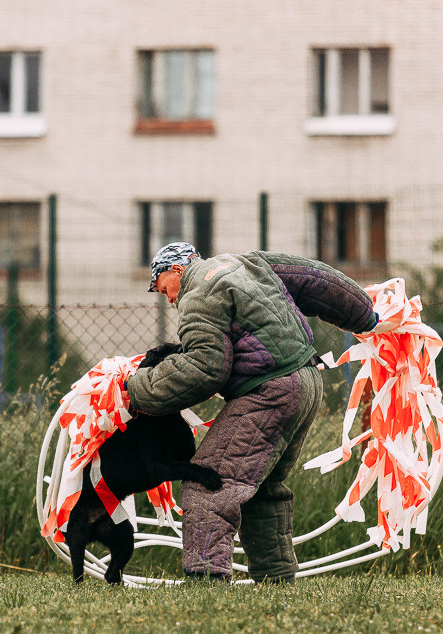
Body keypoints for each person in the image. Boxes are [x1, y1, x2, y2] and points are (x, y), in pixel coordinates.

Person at [125, 242, 378, 582]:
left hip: (269, 391)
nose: (168, 299)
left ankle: (206, 579)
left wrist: (136, 389)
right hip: (307, 382)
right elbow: (317, 279)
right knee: (261, 487)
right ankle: (275, 578)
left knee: (208, 483)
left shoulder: (197, 295)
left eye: (162, 288)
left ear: (177, 270)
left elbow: (205, 368)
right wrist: (364, 315)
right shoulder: (247, 263)